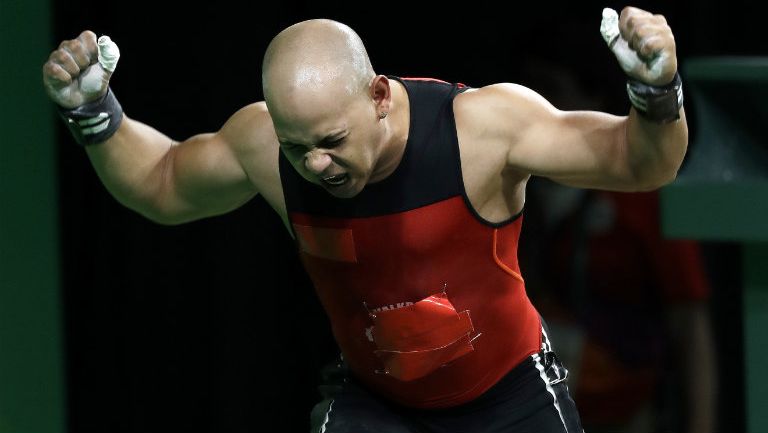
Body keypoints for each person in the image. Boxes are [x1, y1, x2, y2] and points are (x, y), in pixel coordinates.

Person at [43, 6, 687, 432]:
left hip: (509, 399)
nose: (317, 165)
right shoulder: (268, 148)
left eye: (332, 140)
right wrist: (94, 114)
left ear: (379, 95)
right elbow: (162, 183)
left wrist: (656, 96)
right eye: (299, 148)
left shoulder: (483, 129)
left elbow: (637, 163)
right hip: (377, 407)